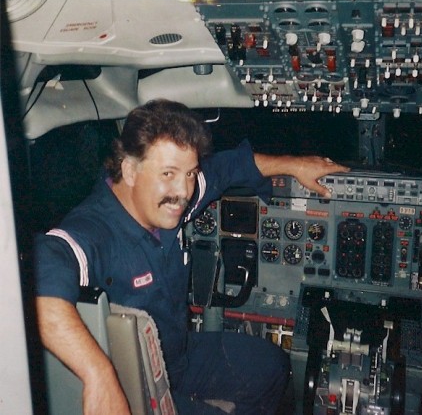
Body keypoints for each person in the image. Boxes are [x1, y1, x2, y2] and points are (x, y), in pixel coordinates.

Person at [34, 99, 349, 415]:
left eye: (189, 172)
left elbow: (228, 168)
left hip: (177, 357)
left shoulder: (171, 199)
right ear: (129, 170)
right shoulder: (94, 229)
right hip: (134, 382)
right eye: (168, 173)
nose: (183, 191)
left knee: (273, 367)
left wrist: (294, 165)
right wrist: (98, 374)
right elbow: (37, 286)